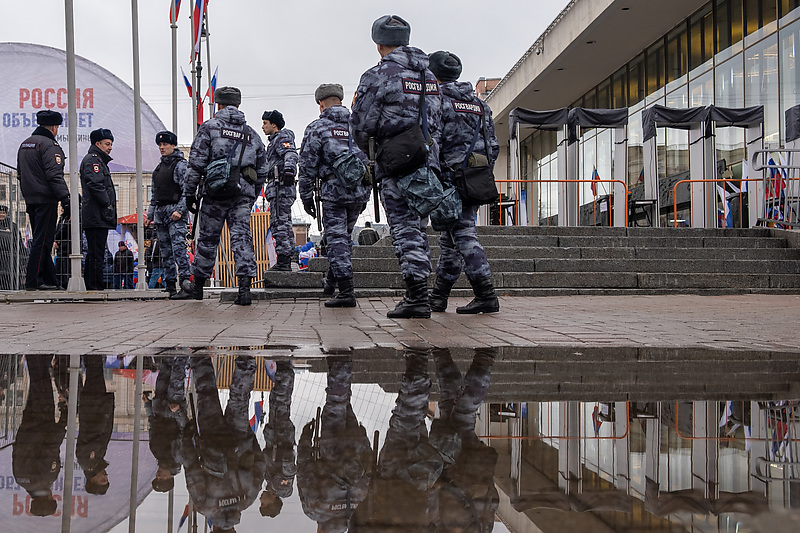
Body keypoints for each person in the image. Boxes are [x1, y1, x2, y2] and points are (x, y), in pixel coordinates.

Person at [350, 15, 442, 319]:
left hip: (396, 159)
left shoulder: (378, 75)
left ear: (379, 43)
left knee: (404, 229)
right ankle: (420, 293)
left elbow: (362, 124)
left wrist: (371, 153)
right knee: (418, 227)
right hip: (426, 158)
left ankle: (416, 297)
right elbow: (438, 119)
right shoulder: (429, 75)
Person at [428, 51, 500, 314]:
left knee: (463, 236)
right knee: (450, 241)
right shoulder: (481, 105)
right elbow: (493, 146)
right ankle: (438, 297)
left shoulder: (436, 101)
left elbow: (431, 142)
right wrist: (478, 173)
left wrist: (433, 177)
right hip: (474, 179)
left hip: (448, 180)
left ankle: (486, 294)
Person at [183, 86, 269, 305]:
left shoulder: (210, 128)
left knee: (208, 239)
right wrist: (251, 194)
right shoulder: (251, 133)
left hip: (215, 192)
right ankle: (245, 290)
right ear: (238, 105)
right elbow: (263, 169)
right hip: (242, 194)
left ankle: (198, 286)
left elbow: (196, 163)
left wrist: (189, 194)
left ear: (218, 104)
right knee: (242, 238)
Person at [298, 83, 370, 307]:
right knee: (341, 237)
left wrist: (306, 195)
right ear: (340, 100)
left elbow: (307, 164)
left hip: (333, 192)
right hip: (360, 191)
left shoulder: (317, 128)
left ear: (321, 103)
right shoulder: (359, 124)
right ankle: (331, 281)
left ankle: (346, 291)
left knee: (337, 240)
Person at [182, 356, 265, 531]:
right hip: (212, 441)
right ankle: (200, 356)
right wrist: (187, 437)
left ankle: (246, 363)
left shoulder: (247, 499)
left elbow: (260, 464)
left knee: (240, 400)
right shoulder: (205, 506)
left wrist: (249, 438)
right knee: (206, 393)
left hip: (239, 440)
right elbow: (192, 468)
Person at [297, 356, 372, 531]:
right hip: (331, 449)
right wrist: (305, 440)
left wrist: (364, 441)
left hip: (356, 448)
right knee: (337, 403)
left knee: (343, 403)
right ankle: (341, 361)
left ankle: (338, 364)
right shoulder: (314, 512)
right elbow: (304, 472)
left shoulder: (357, 515)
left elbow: (368, 478)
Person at [16, 109, 70, 291]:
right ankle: (35, 281)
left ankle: (50, 280)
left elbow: (20, 174)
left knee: (42, 238)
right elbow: (55, 176)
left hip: (31, 198)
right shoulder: (49, 145)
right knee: (43, 240)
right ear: (54, 127)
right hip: (46, 199)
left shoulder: (25, 144)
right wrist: (66, 199)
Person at [13, 355, 68, 517]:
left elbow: (51, 445)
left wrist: (64, 416)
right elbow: (17, 450)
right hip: (29, 423)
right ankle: (38, 353)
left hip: (42, 422)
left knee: (41, 379)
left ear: (49, 498)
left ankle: (36, 352)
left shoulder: (46, 478)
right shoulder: (20, 480)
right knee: (38, 382)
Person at [146, 130, 192, 299]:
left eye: (165, 144)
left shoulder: (180, 165)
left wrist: (180, 211)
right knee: (165, 252)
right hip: (160, 213)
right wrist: (150, 215)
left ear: (173, 145)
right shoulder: (158, 168)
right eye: (160, 145)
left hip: (174, 213)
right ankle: (170, 285)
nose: (162, 147)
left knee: (179, 248)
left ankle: (186, 284)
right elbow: (154, 194)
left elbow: (187, 191)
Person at [144, 356, 189, 494]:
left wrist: (148, 405)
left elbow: (152, 424)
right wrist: (178, 412)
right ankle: (182, 352)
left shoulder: (156, 452)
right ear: (169, 477)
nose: (158, 475)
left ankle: (169, 354)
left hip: (159, 406)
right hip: (172, 409)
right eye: (161, 478)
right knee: (177, 377)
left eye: (157, 478)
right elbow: (184, 431)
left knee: (164, 374)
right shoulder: (178, 457)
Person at [80, 128, 117, 291]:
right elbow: (95, 184)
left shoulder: (97, 160)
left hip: (97, 214)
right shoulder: (94, 161)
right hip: (96, 215)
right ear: (97, 144)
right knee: (97, 254)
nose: (110, 147)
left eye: (111, 144)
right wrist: (107, 205)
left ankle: (92, 285)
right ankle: (95, 286)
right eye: (107, 144)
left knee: (95, 253)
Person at [262, 109, 299, 271]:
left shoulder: (282, 138)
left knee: (280, 223)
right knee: (281, 222)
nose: (263, 126)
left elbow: (290, 153)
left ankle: (284, 261)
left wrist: (289, 170)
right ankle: (285, 258)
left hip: (281, 185)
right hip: (276, 186)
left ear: (274, 125)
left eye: (265, 123)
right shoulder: (273, 141)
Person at [259, 360, 296, 519]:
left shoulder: (270, 481)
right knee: (281, 402)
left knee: (276, 401)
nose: (260, 500)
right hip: (280, 437)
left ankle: (283, 372)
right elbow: (289, 462)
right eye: (263, 503)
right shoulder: (281, 485)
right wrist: (279, 451)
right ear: (272, 500)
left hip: (275, 435)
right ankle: (285, 371)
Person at [77, 354, 115, 496]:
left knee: (94, 371)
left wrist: (104, 414)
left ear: (93, 480)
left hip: (94, 407)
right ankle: (92, 353)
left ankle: (91, 352)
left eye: (102, 480)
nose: (105, 476)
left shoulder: (89, 462)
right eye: (106, 479)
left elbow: (93, 433)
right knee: (96, 371)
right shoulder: (95, 462)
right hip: (96, 407)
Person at [0, 205, 26, 290]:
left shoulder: (12, 226)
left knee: (10, 275)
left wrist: (22, 254)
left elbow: (18, 241)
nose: (2, 215)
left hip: (10, 256)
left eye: (3, 213)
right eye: (0, 212)